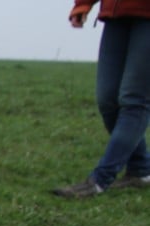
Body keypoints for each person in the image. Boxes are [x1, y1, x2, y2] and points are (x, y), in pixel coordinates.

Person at [52, 0, 150, 198]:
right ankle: (140, 170)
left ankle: (99, 180)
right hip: (116, 15)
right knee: (108, 100)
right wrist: (83, 4)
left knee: (134, 100)